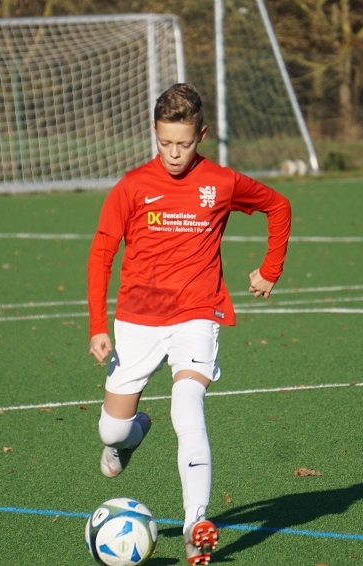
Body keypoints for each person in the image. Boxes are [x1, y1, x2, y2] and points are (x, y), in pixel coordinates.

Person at [86, 83, 292, 565]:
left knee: (187, 405)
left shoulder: (220, 181)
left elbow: (278, 205)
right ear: (154, 134)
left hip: (198, 312)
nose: (174, 154)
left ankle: (195, 523)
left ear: (201, 134)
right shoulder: (132, 186)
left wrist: (270, 269)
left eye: (183, 143)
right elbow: (101, 254)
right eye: (165, 143)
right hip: (137, 320)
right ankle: (130, 437)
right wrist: (98, 324)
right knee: (112, 432)